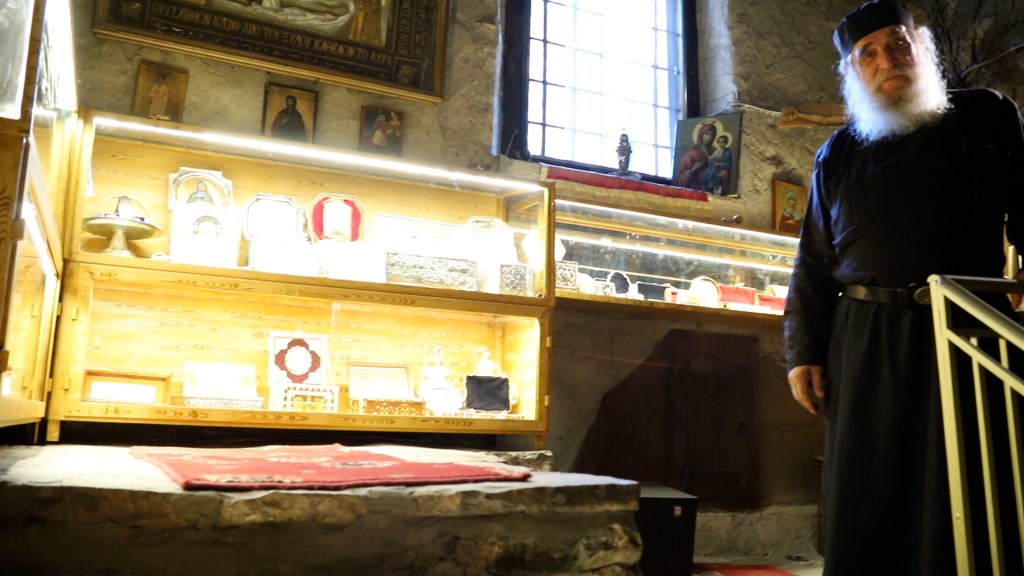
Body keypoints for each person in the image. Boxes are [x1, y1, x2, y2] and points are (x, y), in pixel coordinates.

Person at [784, 2, 1024, 575]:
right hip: (864, 342)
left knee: (968, 484)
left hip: (966, 326)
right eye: (867, 53)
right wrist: (802, 352)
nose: (886, 60)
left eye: (897, 43)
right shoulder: (838, 153)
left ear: (921, 47)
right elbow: (813, 261)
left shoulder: (984, 115)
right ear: (852, 71)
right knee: (869, 489)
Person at [676, 121, 717, 191]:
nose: (709, 137)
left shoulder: (715, 152)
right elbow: (681, 178)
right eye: (707, 134)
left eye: (712, 135)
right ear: (701, 135)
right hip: (695, 190)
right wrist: (693, 169)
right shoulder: (691, 155)